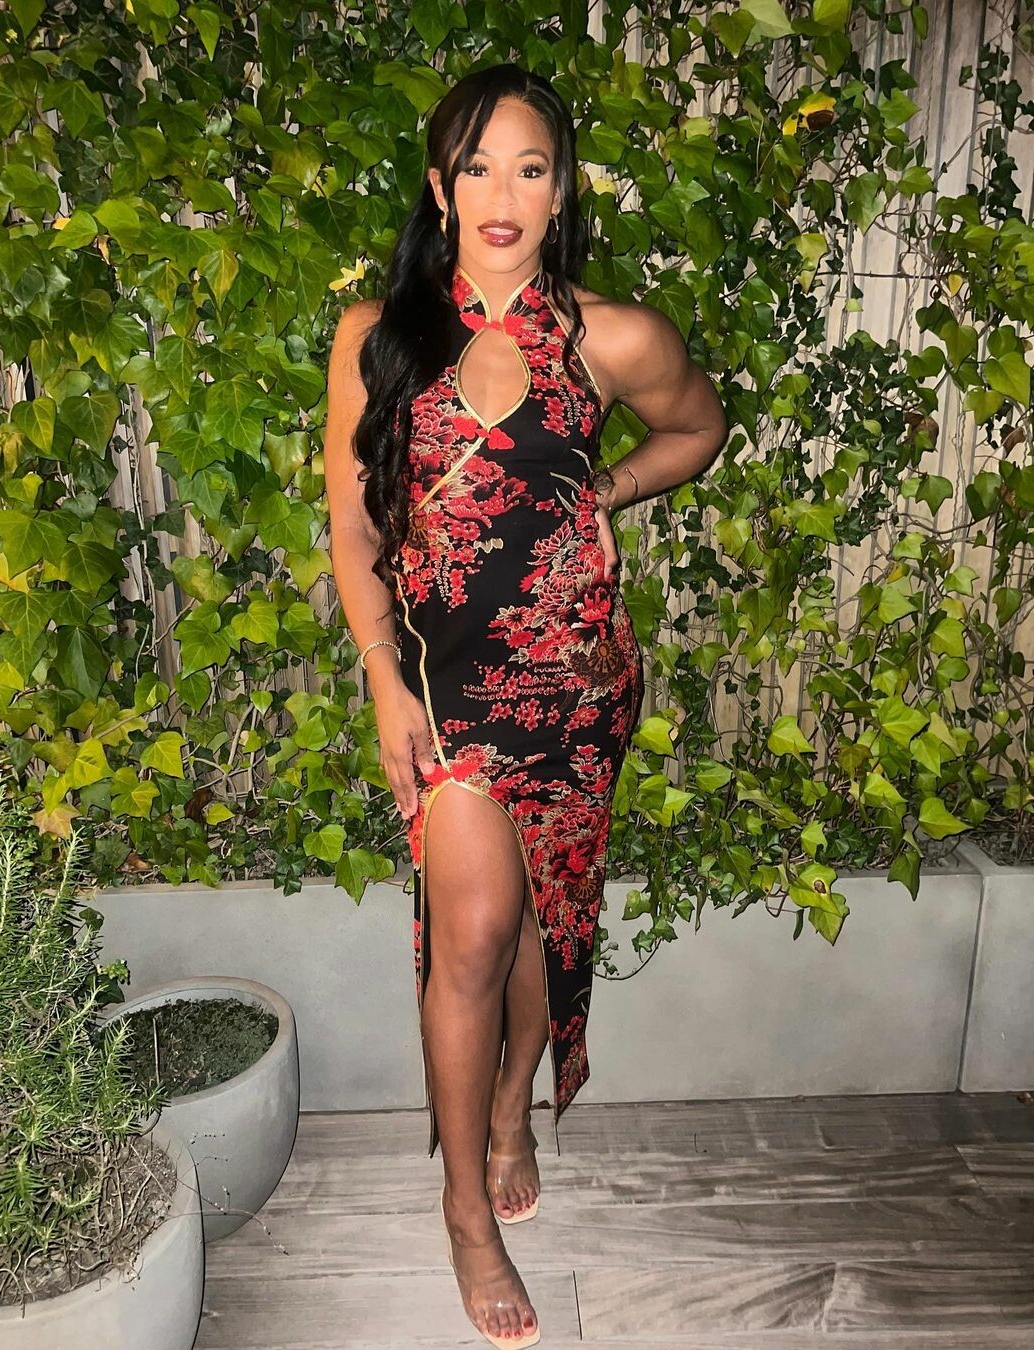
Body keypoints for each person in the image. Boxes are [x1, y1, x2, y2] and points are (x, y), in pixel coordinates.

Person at [325, 62, 727, 1349]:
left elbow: (698, 432)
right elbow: (354, 532)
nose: (503, 195)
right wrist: (382, 683)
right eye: (478, 167)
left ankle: (511, 1116)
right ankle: (465, 1212)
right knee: (476, 934)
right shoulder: (379, 337)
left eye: (532, 168)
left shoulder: (612, 338)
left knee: (549, 927)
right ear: (441, 188)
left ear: (563, 191)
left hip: (577, 683)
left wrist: (605, 493)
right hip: (444, 692)